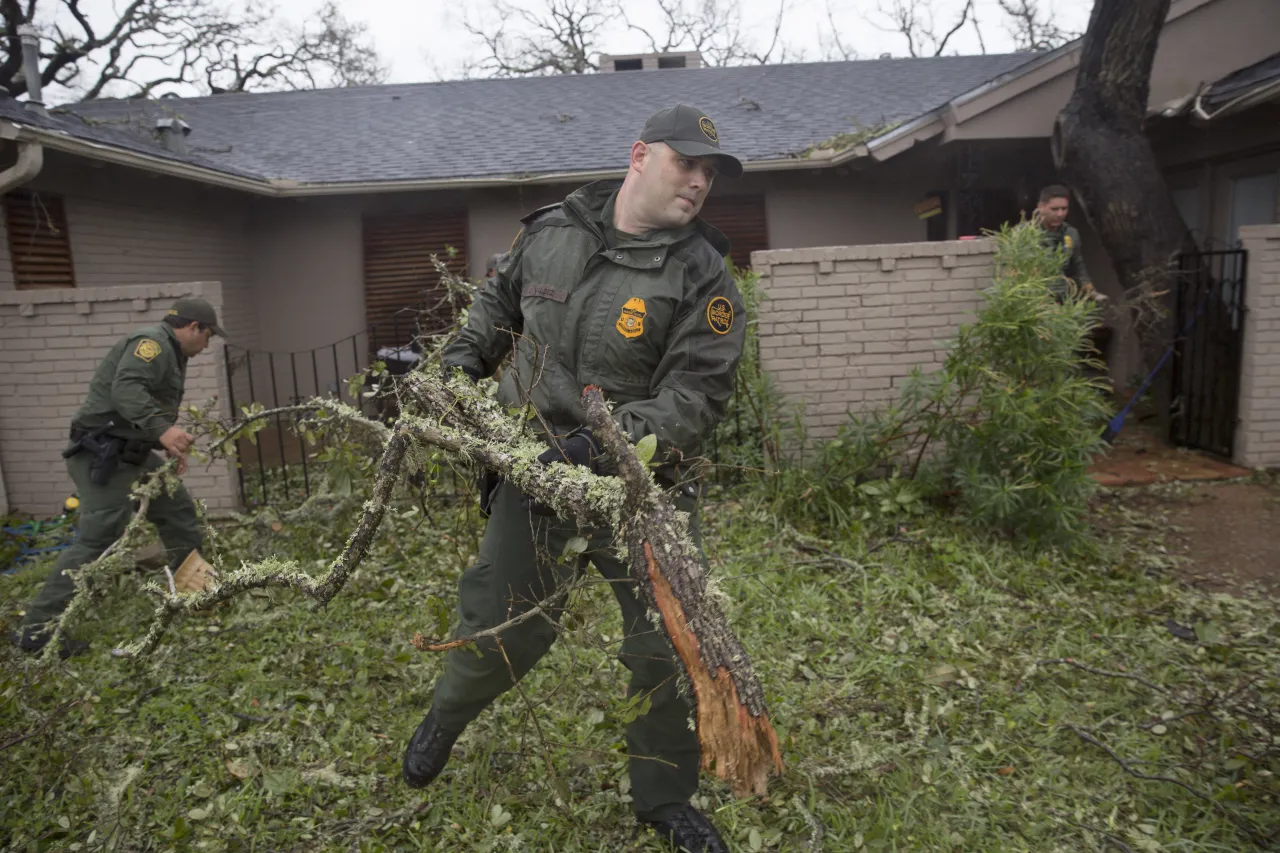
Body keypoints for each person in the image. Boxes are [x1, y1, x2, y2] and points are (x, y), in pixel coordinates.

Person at [402, 104, 747, 853]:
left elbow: (696, 394)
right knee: (503, 629)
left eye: (709, 172)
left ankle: (665, 799)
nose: (698, 181)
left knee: (667, 646)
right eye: (685, 163)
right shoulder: (552, 232)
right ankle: (448, 715)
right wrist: (461, 364)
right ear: (638, 156)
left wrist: (610, 449)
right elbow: (497, 307)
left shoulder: (705, 275)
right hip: (533, 474)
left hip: (644, 494)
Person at [9, 297, 225, 658]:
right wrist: (164, 431)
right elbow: (126, 391)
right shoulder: (152, 343)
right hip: (102, 456)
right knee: (99, 539)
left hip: (130, 455)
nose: (207, 345)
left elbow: (141, 411)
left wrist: (166, 444)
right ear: (194, 328)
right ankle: (36, 631)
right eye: (208, 337)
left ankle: (195, 593)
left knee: (177, 509)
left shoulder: (173, 352)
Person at [1034, 184, 1094, 301]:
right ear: (1041, 207)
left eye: (1064, 209)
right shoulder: (1027, 235)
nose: (1060, 214)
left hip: (1065, 299)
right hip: (1037, 301)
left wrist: (1087, 284)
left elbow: (1077, 264)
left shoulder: (1070, 233)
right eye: (1054, 209)